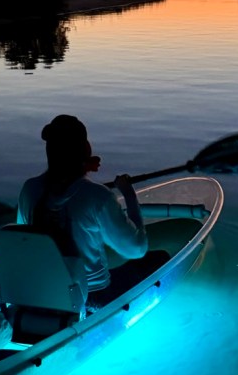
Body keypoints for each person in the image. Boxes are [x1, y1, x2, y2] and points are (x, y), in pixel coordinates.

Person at [16, 114, 167, 312]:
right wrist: (128, 194)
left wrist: (82, 168)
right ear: (85, 149)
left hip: (46, 291)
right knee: (160, 259)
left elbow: (24, 238)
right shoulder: (97, 197)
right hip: (93, 296)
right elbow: (136, 250)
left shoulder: (29, 190)